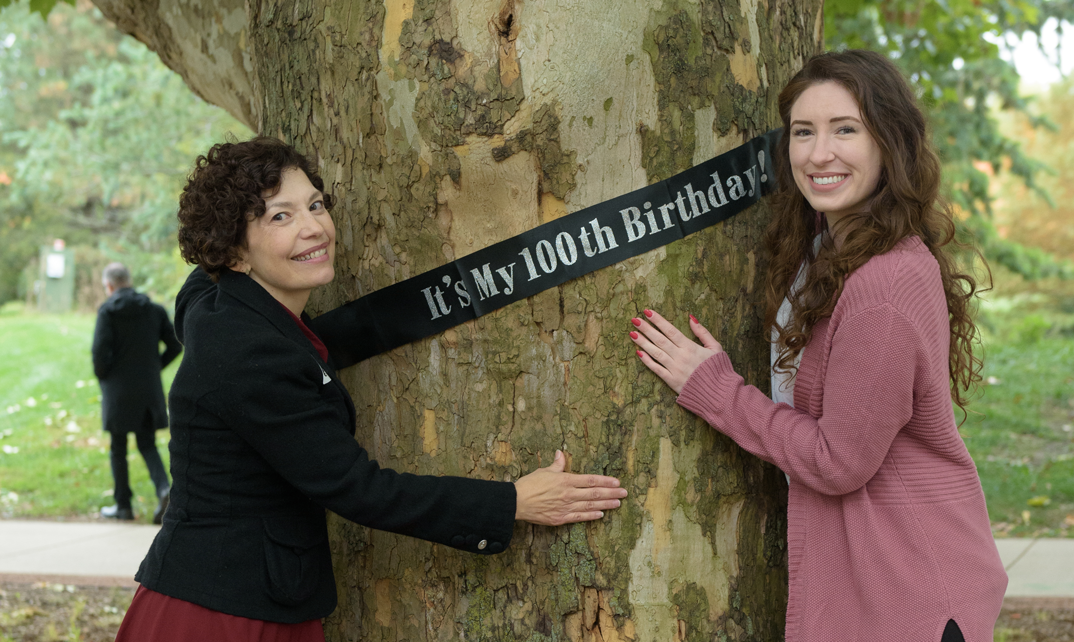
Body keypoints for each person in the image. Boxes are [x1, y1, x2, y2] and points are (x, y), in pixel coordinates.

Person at [114, 137, 628, 641]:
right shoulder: (250, 354)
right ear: (234, 253)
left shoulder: (212, 302)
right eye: (280, 217)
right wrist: (511, 501)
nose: (314, 227)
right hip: (222, 613)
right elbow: (359, 489)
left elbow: (199, 290)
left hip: (249, 597)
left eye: (315, 204)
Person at [628, 50, 1007, 642]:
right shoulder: (829, 253)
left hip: (908, 600)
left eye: (845, 130)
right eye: (803, 132)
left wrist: (719, 392)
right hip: (875, 583)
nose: (818, 153)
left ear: (891, 143)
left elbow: (839, 461)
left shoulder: (883, 283)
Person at [92, 262, 180, 523]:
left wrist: (105, 376)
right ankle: (164, 490)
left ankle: (123, 507)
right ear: (129, 281)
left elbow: (99, 354)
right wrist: (155, 368)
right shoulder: (153, 309)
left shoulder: (107, 312)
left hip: (118, 391)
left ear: (109, 285)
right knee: (147, 443)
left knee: (118, 448)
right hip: (147, 389)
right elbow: (176, 344)